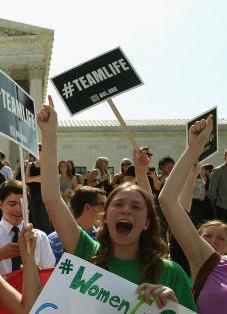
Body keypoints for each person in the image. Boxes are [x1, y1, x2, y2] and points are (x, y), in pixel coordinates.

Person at [38, 96, 196, 311]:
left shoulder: (171, 273)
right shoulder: (86, 252)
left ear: (147, 222)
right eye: (118, 204)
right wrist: (49, 134)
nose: (126, 210)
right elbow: (52, 199)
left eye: (136, 207)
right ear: (106, 216)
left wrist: (175, 306)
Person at [158, 115, 226, 313]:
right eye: (209, 236)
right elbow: (169, 200)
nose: (213, 241)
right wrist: (194, 147)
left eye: (221, 238)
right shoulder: (212, 264)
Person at [0, 179, 55, 274]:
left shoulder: (39, 236)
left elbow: (49, 272)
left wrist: (36, 271)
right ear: (1, 204)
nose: (18, 209)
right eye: (12, 204)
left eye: (23, 204)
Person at [48, 186, 106, 264]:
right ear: (88, 207)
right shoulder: (54, 240)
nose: (107, 209)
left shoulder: (105, 238)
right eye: (103, 205)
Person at [209, 148, 227, 223]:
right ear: (225, 157)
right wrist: (215, 200)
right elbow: (212, 188)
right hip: (221, 206)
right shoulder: (218, 170)